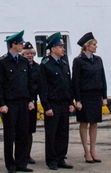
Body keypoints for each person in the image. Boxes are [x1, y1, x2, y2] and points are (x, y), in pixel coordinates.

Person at [0, 31, 35, 173]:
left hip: (23, 101)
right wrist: (2, 103)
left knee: (23, 134)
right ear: (13, 45)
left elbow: (29, 82)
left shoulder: (24, 61)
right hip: (10, 103)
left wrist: (31, 99)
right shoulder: (3, 62)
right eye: (20, 44)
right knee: (9, 135)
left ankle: (21, 163)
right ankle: (10, 165)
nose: (22, 46)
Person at [39, 32, 74, 169]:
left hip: (64, 102)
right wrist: (46, 106)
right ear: (53, 49)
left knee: (63, 132)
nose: (63, 49)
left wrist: (71, 102)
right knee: (52, 133)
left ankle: (61, 158)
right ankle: (52, 160)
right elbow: (43, 87)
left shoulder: (64, 63)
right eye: (60, 47)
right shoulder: (45, 65)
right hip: (52, 103)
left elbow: (68, 84)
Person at [72, 32, 108, 162]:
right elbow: (75, 81)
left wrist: (104, 96)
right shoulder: (78, 61)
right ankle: (86, 151)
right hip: (85, 95)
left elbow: (102, 78)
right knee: (84, 122)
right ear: (87, 46)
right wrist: (78, 100)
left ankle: (93, 150)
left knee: (94, 123)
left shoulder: (98, 60)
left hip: (96, 95)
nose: (96, 47)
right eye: (94, 44)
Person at [22, 42, 40, 166]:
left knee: (30, 130)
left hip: (33, 102)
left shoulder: (37, 67)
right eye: (27, 53)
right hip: (22, 101)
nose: (30, 55)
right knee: (21, 130)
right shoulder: (21, 66)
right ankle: (21, 154)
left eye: (32, 53)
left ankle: (27, 154)